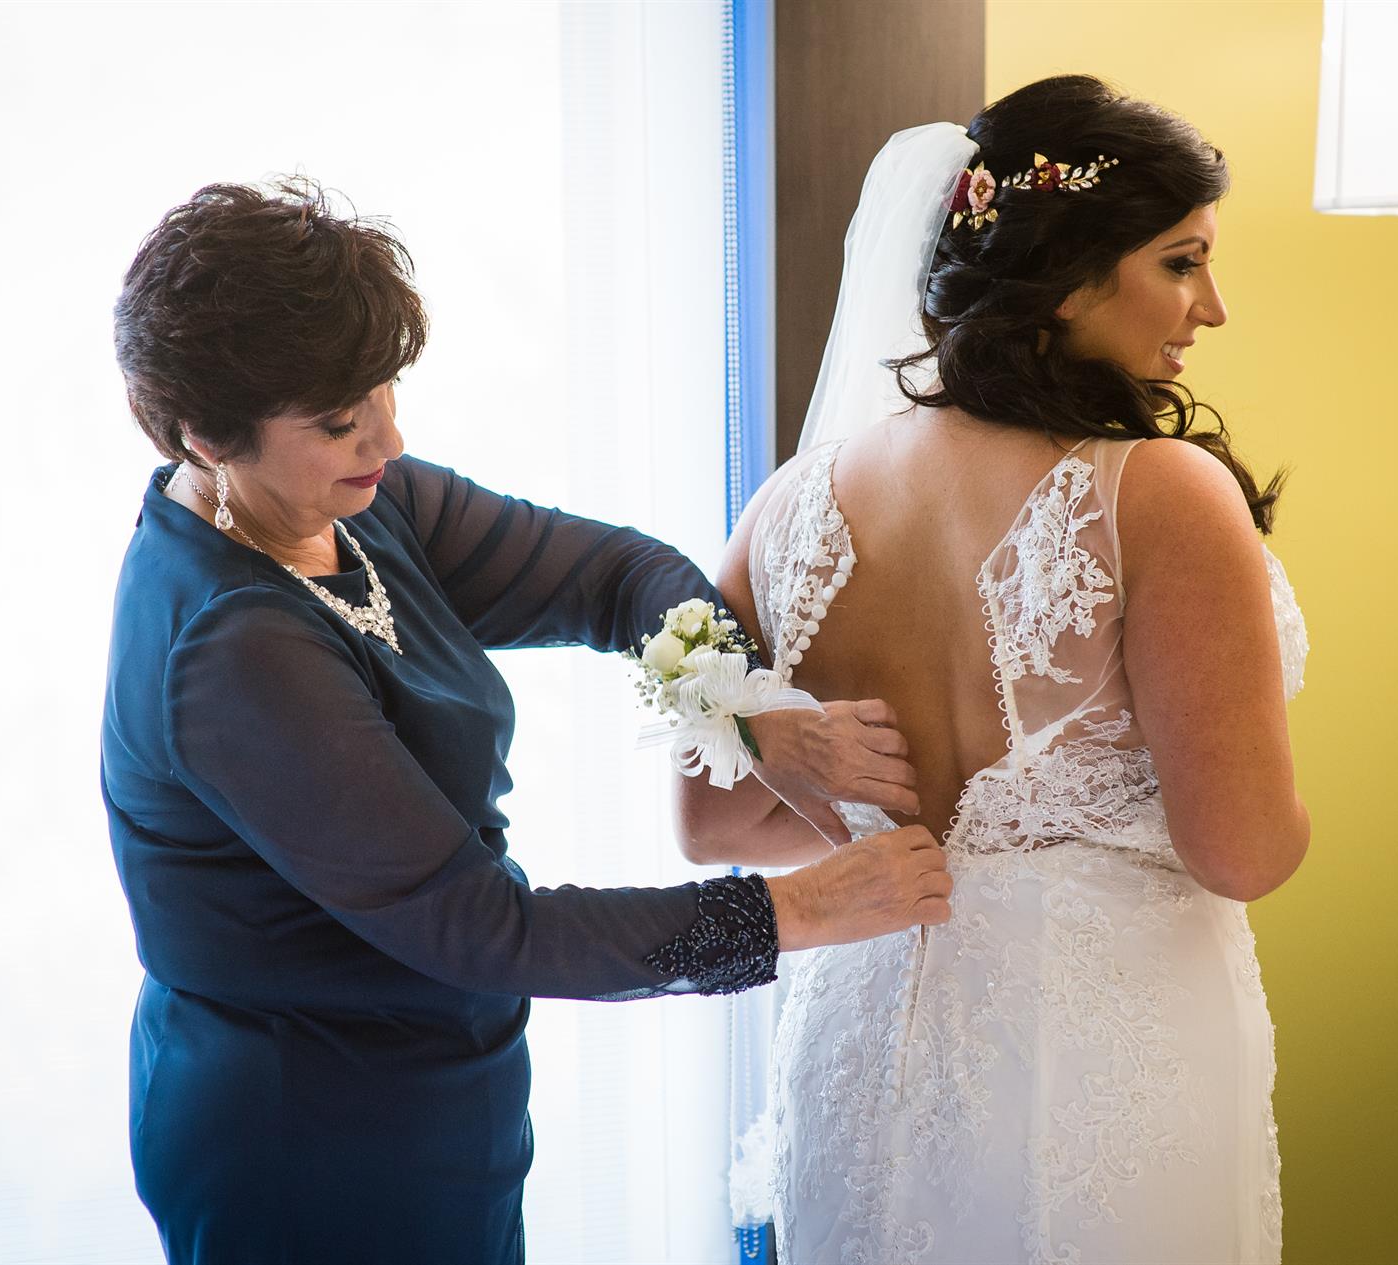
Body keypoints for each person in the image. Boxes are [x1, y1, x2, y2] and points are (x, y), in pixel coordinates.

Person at [101, 179, 953, 1264]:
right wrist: (797, 908)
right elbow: (485, 927)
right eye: (339, 419)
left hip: (440, 1088)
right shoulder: (233, 649)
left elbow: (617, 573)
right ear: (206, 435)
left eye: (384, 389)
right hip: (309, 1129)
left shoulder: (358, 501)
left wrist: (739, 708)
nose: (388, 434)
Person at [677, 75, 1311, 1263]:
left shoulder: (790, 503)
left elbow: (711, 822)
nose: (1210, 308)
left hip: (866, 1042)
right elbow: (1243, 850)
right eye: (1180, 262)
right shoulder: (1158, 493)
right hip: (1099, 1064)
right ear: (1067, 274)